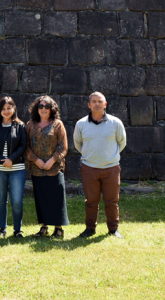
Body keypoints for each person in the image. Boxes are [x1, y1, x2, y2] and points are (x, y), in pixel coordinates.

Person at [74, 92, 127, 238]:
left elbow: (122, 143)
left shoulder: (115, 123)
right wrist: (91, 157)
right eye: (94, 101)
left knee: (111, 201)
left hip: (111, 168)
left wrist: (109, 157)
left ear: (105, 104)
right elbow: (78, 144)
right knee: (91, 201)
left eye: (100, 101)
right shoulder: (81, 124)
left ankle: (113, 229)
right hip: (89, 168)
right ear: (89, 105)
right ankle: (90, 228)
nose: (97, 104)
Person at [25, 96, 69, 238]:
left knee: (56, 198)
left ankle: (58, 228)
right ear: (36, 109)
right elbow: (25, 146)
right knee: (41, 198)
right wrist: (36, 160)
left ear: (52, 109)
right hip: (37, 169)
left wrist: (53, 160)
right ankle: (44, 227)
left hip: (54, 168)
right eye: (40, 106)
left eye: (47, 106)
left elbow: (63, 146)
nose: (43, 109)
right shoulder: (30, 125)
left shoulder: (58, 125)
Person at [0, 96, 27, 239]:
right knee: (1, 200)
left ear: (14, 108)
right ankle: (2, 229)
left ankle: (17, 230)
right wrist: (1, 160)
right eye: (3, 109)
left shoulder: (20, 126)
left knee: (17, 200)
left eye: (9, 108)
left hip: (17, 168)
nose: (6, 111)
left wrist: (11, 159)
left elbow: (23, 145)